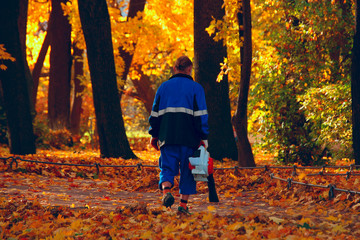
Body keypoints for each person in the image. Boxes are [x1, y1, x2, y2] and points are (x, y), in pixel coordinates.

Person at [148, 56, 209, 215]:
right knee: (188, 172)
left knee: (167, 167)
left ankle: (166, 192)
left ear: (175, 68)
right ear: (189, 70)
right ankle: (182, 205)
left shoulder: (163, 88)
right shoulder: (196, 89)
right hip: (190, 138)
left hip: (167, 136)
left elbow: (154, 115)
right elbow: (202, 116)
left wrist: (154, 134)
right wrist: (204, 137)